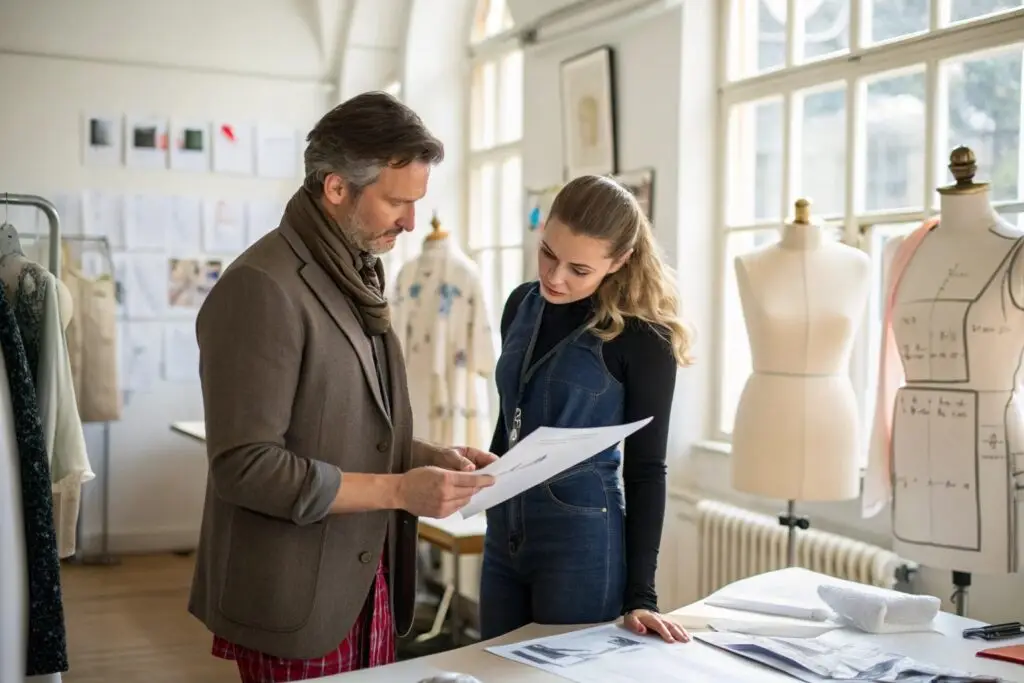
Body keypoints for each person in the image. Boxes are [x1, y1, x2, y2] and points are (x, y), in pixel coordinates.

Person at [187, 91, 496, 682]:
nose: (412, 221)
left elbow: (350, 426)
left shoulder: (352, 269)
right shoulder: (261, 287)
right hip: (294, 594)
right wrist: (402, 491)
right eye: (397, 202)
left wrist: (434, 459)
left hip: (357, 579)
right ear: (335, 188)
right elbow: (246, 467)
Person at [480, 174, 693, 643]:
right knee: (487, 672)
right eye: (548, 254)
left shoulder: (643, 338)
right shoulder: (521, 304)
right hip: (502, 533)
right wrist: (482, 476)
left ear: (619, 261)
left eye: (579, 270)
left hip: (581, 545)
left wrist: (642, 595)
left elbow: (646, 469)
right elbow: (511, 411)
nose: (555, 277)